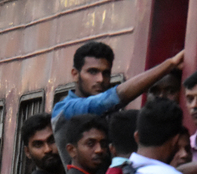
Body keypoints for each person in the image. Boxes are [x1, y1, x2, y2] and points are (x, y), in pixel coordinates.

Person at [51, 41, 185, 160]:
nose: (100, 79)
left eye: (106, 73)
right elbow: (104, 101)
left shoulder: (110, 113)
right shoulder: (64, 109)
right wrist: (170, 64)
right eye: (92, 72)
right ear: (75, 74)